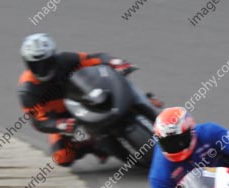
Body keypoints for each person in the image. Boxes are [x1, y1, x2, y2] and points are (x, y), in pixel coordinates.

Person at [18, 33, 149, 167]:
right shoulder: (28, 91)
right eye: (36, 65)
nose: (42, 69)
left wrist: (115, 61)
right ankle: (94, 144)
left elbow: (94, 58)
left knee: (118, 78)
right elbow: (38, 122)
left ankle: (145, 101)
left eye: (46, 63)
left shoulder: (65, 60)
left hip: (85, 99)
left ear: (53, 56)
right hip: (63, 118)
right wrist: (59, 124)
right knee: (62, 157)